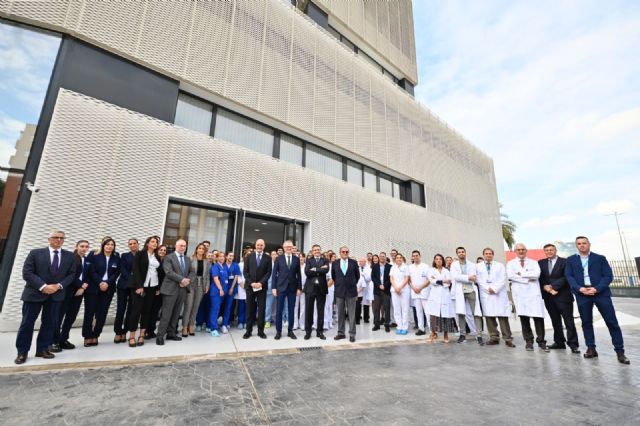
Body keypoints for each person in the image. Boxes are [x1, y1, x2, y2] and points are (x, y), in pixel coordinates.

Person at [15, 231, 76, 365]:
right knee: (27, 323)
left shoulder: (70, 256)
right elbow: (27, 273)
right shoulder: (35, 253)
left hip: (56, 295)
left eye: (61, 238)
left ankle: (42, 349)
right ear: (49, 239)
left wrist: (59, 286)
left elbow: (72, 275)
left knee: (49, 323)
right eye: (56, 237)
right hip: (34, 294)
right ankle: (22, 352)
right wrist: (43, 286)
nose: (59, 240)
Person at [565, 236, 629, 364]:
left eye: (584, 243)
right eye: (579, 243)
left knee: (612, 322)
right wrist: (579, 288)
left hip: (601, 293)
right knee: (586, 323)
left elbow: (608, 276)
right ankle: (591, 349)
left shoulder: (600, 258)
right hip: (582, 294)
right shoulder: (571, 260)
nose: (582, 245)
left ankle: (620, 352)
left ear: (589, 244)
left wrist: (597, 288)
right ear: (576, 245)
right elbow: (569, 276)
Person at [507, 243, 549, 352]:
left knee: (538, 318)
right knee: (524, 318)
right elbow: (511, 276)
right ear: (515, 251)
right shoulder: (511, 263)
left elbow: (536, 275)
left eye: (523, 249)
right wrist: (527, 277)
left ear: (526, 251)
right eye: (518, 250)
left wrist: (520, 274)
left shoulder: (534, 262)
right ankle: (529, 342)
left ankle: (541, 341)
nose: (521, 251)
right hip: (520, 295)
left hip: (533, 293)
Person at [539, 243, 579, 353]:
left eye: (551, 250)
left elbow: (567, 277)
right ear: (544, 252)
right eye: (547, 250)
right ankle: (559, 342)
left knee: (569, 321)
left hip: (563, 296)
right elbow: (540, 278)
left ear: (555, 250)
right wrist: (546, 287)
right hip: (549, 297)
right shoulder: (541, 263)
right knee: (555, 321)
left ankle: (573, 344)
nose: (549, 252)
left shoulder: (565, 261)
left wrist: (553, 286)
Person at [52, 239, 90, 351]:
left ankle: (63, 339)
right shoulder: (70, 258)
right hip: (68, 292)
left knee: (70, 317)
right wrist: (81, 286)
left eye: (86, 246)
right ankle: (54, 341)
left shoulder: (86, 260)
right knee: (59, 317)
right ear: (76, 246)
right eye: (82, 246)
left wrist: (83, 287)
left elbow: (88, 275)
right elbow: (69, 275)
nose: (84, 248)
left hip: (79, 293)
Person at [83, 237, 120, 347]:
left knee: (102, 313)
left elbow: (116, 272)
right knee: (90, 312)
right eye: (107, 244)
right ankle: (87, 336)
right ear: (103, 245)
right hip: (93, 288)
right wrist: (100, 282)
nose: (109, 246)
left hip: (108, 289)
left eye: (112, 244)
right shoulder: (94, 255)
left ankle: (96, 335)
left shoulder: (116, 257)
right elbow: (91, 270)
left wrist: (107, 283)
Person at [127, 236, 161, 347]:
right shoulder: (140, 254)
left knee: (147, 311)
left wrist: (157, 288)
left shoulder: (157, 256)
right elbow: (135, 270)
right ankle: (132, 336)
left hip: (152, 287)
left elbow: (158, 273)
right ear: (147, 243)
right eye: (152, 241)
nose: (155, 243)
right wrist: (139, 286)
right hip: (140, 287)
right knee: (136, 312)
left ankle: (142, 335)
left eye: (156, 242)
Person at [477, 248, 514, 347]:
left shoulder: (500, 265)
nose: (488, 255)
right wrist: (487, 289)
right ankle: (494, 337)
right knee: (489, 317)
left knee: (502, 317)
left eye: (490, 254)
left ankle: (508, 338)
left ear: (493, 255)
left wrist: (494, 288)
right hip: (486, 294)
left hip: (498, 293)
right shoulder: (478, 266)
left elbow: (502, 279)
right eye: (486, 253)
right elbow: (479, 280)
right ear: (483, 255)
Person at [156, 239, 191, 345]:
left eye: (184, 246)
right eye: (180, 245)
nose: (182, 247)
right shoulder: (168, 257)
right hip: (170, 289)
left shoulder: (187, 259)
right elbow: (168, 272)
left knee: (176, 313)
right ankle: (160, 336)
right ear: (176, 246)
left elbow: (192, 272)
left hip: (182, 290)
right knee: (166, 313)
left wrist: (187, 280)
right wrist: (182, 280)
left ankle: (171, 333)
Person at [451, 247, 484, 345]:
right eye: (459, 252)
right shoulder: (454, 265)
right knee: (461, 313)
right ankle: (462, 335)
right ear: (457, 254)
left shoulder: (472, 265)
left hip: (471, 290)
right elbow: (455, 277)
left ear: (465, 253)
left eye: (463, 252)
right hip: (459, 290)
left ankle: (479, 335)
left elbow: (473, 277)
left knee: (476, 313)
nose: (461, 253)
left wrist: (466, 278)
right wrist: (468, 277)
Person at [271, 240, 302, 340]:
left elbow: (299, 275)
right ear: (284, 248)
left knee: (291, 310)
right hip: (280, 288)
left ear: (292, 248)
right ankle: (278, 332)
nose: (288, 248)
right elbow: (274, 274)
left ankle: (290, 331)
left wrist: (299, 288)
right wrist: (274, 288)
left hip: (292, 288)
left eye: (290, 247)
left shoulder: (296, 259)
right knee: (279, 310)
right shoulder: (278, 259)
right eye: (287, 247)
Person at [243, 239, 272, 339]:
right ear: (255, 245)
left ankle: (261, 331)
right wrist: (252, 283)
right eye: (258, 245)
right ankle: (248, 331)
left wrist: (260, 283)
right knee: (250, 309)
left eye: (261, 245)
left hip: (262, 287)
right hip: (250, 287)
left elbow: (268, 273)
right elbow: (245, 272)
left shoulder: (268, 258)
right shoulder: (249, 257)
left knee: (262, 310)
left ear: (264, 246)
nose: (259, 247)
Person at [332, 246, 360, 342]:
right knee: (340, 314)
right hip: (339, 291)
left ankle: (352, 334)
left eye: (347, 252)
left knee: (352, 314)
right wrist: (340, 284)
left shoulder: (354, 263)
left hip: (351, 291)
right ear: (340, 253)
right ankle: (341, 333)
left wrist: (351, 284)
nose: (345, 253)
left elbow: (357, 276)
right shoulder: (335, 263)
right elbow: (334, 276)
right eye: (343, 252)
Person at [181, 243, 210, 337]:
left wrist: (207, 286)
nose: (201, 250)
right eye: (199, 248)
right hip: (191, 284)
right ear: (196, 249)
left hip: (201, 285)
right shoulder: (190, 259)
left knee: (195, 307)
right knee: (188, 306)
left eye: (203, 249)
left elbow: (208, 275)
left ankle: (191, 326)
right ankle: (184, 327)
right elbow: (186, 272)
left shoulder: (207, 262)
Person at [114, 238, 138, 344]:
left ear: (138, 244)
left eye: (134, 243)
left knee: (131, 310)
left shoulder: (142, 255)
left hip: (135, 288)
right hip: (123, 286)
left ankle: (125, 331)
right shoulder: (124, 255)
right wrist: (132, 279)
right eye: (130, 244)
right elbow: (122, 269)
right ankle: (118, 332)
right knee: (121, 309)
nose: (132, 245)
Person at [427, 254, 455, 343]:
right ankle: (433, 333)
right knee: (434, 316)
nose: (438, 260)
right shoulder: (431, 270)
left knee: (445, 316)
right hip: (434, 296)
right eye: (436, 259)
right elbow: (432, 281)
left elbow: (449, 282)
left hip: (445, 295)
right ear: (434, 261)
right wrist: (443, 280)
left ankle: (445, 334)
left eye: (440, 259)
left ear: (442, 261)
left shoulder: (446, 271)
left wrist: (438, 280)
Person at [304, 244, 329, 340]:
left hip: (321, 288)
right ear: (312, 251)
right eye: (315, 250)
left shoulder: (325, 260)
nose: (317, 251)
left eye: (318, 250)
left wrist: (314, 269)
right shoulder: (309, 260)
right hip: (310, 288)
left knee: (321, 311)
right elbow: (307, 272)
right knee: (308, 311)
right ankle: (308, 332)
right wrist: (320, 269)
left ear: (320, 251)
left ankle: (320, 332)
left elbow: (326, 270)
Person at [146, 244, 167, 339]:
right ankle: (147, 330)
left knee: (155, 311)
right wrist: (157, 288)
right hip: (153, 288)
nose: (162, 251)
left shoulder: (166, 261)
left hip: (161, 290)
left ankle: (151, 330)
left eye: (164, 250)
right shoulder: (154, 260)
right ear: (157, 250)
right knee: (149, 310)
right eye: (161, 249)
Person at [408, 250, 430, 336]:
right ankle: (421, 329)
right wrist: (414, 288)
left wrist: (420, 287)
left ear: (420, 256)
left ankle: (432, 330)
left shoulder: (425, 266)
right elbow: (409, 279)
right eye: (414, 256)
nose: (415, 257)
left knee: (427, 312)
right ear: (412, 257)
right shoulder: (410, 267)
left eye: (417, 255)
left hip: (424, 292)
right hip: (415, 292)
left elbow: (429, 280)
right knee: (418, 311)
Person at [208, 251, 228, 337]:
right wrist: (220, 289)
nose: (222, 258)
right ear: (216, 258)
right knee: (214, 310)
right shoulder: (215, 267)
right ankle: (213, 329)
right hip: (216, 292)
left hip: (222, 292)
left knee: (217, 309)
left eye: (223, 256)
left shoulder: (223, 267)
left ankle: (210, 325)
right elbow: (216, 279)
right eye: (220, 256)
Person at [390, 254, 410, 335]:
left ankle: (405, 327)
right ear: (395, 259)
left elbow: (407, 278)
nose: (398, 259)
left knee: (405, 309)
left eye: (400, 258)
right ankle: (399, 326)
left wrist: (400, 287)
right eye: (397, 258)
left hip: (404, 290)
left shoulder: (406, 267)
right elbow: (391, 278)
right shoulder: (393, 267)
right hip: (394, 290)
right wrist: (396, 287)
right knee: (396, 309)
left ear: (402, 259)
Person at [371, 253, 392, 332]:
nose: (382, 258)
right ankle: (376, 325)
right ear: (379, 258)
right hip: (377, 290)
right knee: (376, 308)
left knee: (387, 308)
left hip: (386, 290)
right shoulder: (375, 266)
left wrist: (384, 285)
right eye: (381, 256)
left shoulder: (390, 267)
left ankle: (387, 324)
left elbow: (390, 278)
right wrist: (379, 285)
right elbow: (373, 277)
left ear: (386, 258)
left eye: (383, 256)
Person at [222, 251, 241, 333]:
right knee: (218, 306)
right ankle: (214, 324)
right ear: (226, 256)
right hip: (222, 289)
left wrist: (231, 288)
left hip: (231, 289)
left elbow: (236, 277)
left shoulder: (235, 265)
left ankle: (225, 324)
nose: (231, 257)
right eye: (230, 255)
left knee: (228, 307)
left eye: (232, 256)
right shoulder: (222, 265)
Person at [235, 249, 250, 330]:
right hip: (241, 287)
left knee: (249, 305)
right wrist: (242, 285)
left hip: (250, 287)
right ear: (244, 256)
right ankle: (241, 321)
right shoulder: (239, 264)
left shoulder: (253, 264)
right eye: (246, 254)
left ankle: (247, 321)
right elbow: (238, 275)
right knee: (241, 305)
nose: (248, 256)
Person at [355, 257, 371, 324]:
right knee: (358, 305)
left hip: (366, 288)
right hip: (358, 288)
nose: (360, 262)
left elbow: (369, 278)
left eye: (361, 261)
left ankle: (366, 318)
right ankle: (357, 319)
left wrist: (363, 275)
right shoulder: (357, 268)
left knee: (366, 304)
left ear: (365, 262)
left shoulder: (369, 269)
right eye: (359, 261)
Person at [294, 252, 307, 330]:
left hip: (304, 290)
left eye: (302, 257)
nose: (301, 258)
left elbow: (308, 279)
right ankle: (295, 324)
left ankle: (302, 323)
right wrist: (297, 288)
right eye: (299, 257)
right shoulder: (295, 266)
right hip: (295, 289)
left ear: (304, 258)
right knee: (295, 307)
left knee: (303, 307)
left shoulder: (307, 266)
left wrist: (303, 289)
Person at [265, 250, 278, 328]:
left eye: (275, 254)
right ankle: (266, 320)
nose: (274, 256)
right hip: (266, 288)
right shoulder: (268, 264)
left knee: (272, 306)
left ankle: (270, 319)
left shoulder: (278, 264)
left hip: (275, 288)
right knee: (267, 306)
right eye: (272, 254)